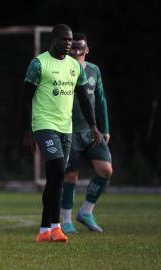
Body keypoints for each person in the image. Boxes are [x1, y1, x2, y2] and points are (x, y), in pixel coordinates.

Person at [22, 24, 101, 243]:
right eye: (65, 40)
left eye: (71, 40)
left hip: (67, 128)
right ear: (54, 40)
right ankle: (56, 227)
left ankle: (44, 230)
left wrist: (94, 125)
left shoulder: (74, 66)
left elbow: (84, 99)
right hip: (44, 125)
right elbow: (26, 98)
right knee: (57, 168)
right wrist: (27, 131)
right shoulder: (39, 64)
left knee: (55, 177)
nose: (69, 44)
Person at [60, 33, 112, 234]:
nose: (77, 53)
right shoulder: (61, 71)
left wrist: (104, 128)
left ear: (87, 50)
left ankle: (86, 212)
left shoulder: (93, 70)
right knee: (71, 175)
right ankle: (66, 220)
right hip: (68, 131)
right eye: (73, 49)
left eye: (81, 49)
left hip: (92, 131)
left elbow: (100, 100)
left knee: (105, 170)